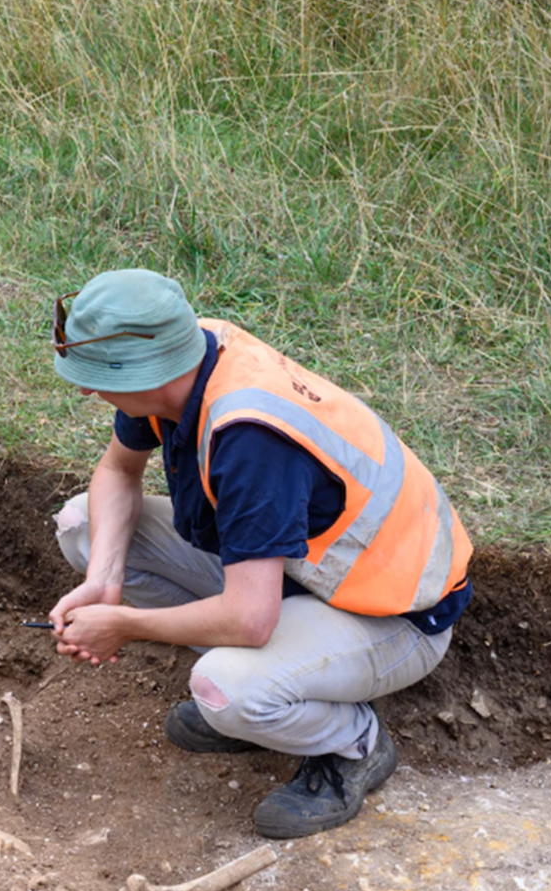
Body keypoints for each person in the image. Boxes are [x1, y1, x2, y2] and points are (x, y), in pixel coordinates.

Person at [44, 269, 473, 838]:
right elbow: (117, 470)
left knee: (225, 687)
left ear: (148, 370)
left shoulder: (250, 439)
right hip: (301, 574)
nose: (85, 391)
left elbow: (250, 618)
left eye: (95, 377)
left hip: (392, 613)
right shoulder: (184, 352)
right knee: (82, 525)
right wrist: (105, 580)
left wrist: (123, 625)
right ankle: (278, 682)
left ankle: (354, 745)